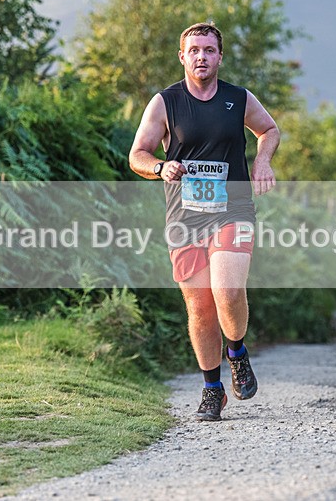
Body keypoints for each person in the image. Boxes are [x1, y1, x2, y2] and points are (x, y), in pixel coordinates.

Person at [128, 22, 280, 421]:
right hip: (185, 218)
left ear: (219, 57)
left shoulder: (238, 98)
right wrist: (160, 167)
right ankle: (212, 389)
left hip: (233, 209)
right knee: (199, 307)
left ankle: (237, 352)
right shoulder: (165, 103)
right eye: (194, 50)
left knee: (226, 290)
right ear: (182, 56)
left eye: (209, 50)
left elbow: (268, 129)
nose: (201, 57)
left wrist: (262, 162)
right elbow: (137, 154)